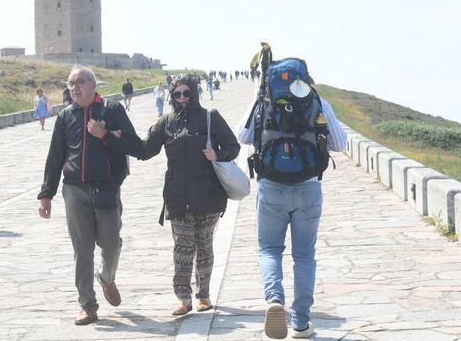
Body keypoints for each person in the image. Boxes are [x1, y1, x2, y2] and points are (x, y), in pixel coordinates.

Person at [89, 75, 239, 316]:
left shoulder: (210, 118)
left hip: (208, 195)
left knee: (204, 248)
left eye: (186, 93)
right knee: (182, 249)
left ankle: (203, 296)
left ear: (194, 93)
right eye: (177, 94)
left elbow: (234, 147)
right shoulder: (166, 122)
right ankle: (183, 298)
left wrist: (217, 154)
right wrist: (109, 137)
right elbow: (144, 150)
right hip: (177, 195)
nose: (181, 98)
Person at [238, 73, 346, 339]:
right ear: (308, 81)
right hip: (308, 188)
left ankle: (274, 300)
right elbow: (340, 144)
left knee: (269, 250)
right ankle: (300, 322)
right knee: (304, 256)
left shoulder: (267, 101)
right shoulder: (318, 103)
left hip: (271, 187)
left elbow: (242, 135)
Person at [37, 65, 140, 325]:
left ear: (94, 85)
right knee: (82, 250)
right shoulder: (65, 116)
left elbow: (134, 144)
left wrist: (104, 134)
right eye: (71, 83)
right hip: (74, 191)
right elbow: (55, 157)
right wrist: (45, 195)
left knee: (111, 244)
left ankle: (106, 277)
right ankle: (87, 305)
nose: (75, 87)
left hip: (106, 189)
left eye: (80, 82)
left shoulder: (112, 110)